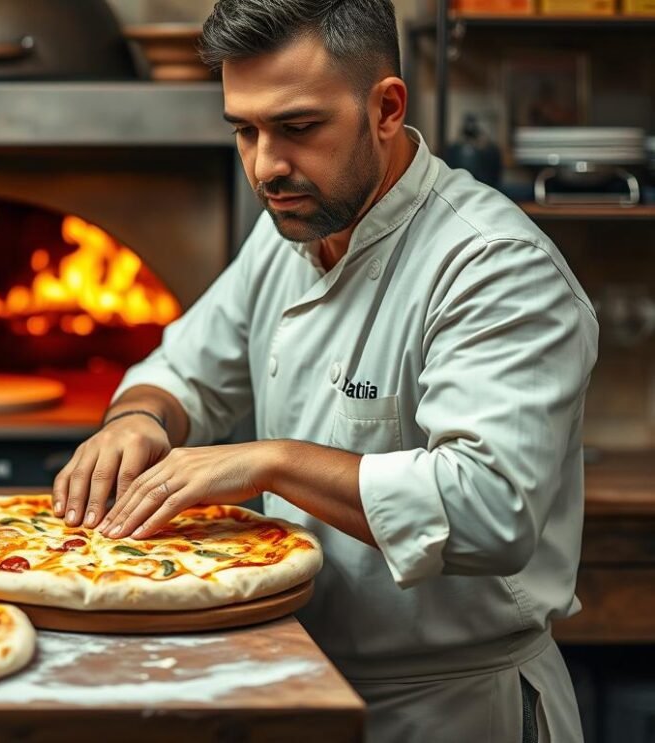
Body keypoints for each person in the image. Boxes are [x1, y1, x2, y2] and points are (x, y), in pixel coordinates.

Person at [51, 1, 596, 740]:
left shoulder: (493, 266)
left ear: (387, 108)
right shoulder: (294, 228)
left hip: (454, 706)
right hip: (299, 680)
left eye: (298, 128)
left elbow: (490, 509)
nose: (265, 165)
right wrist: (138, 420)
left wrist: (270, 462)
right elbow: (185, 370)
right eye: (244, 130)